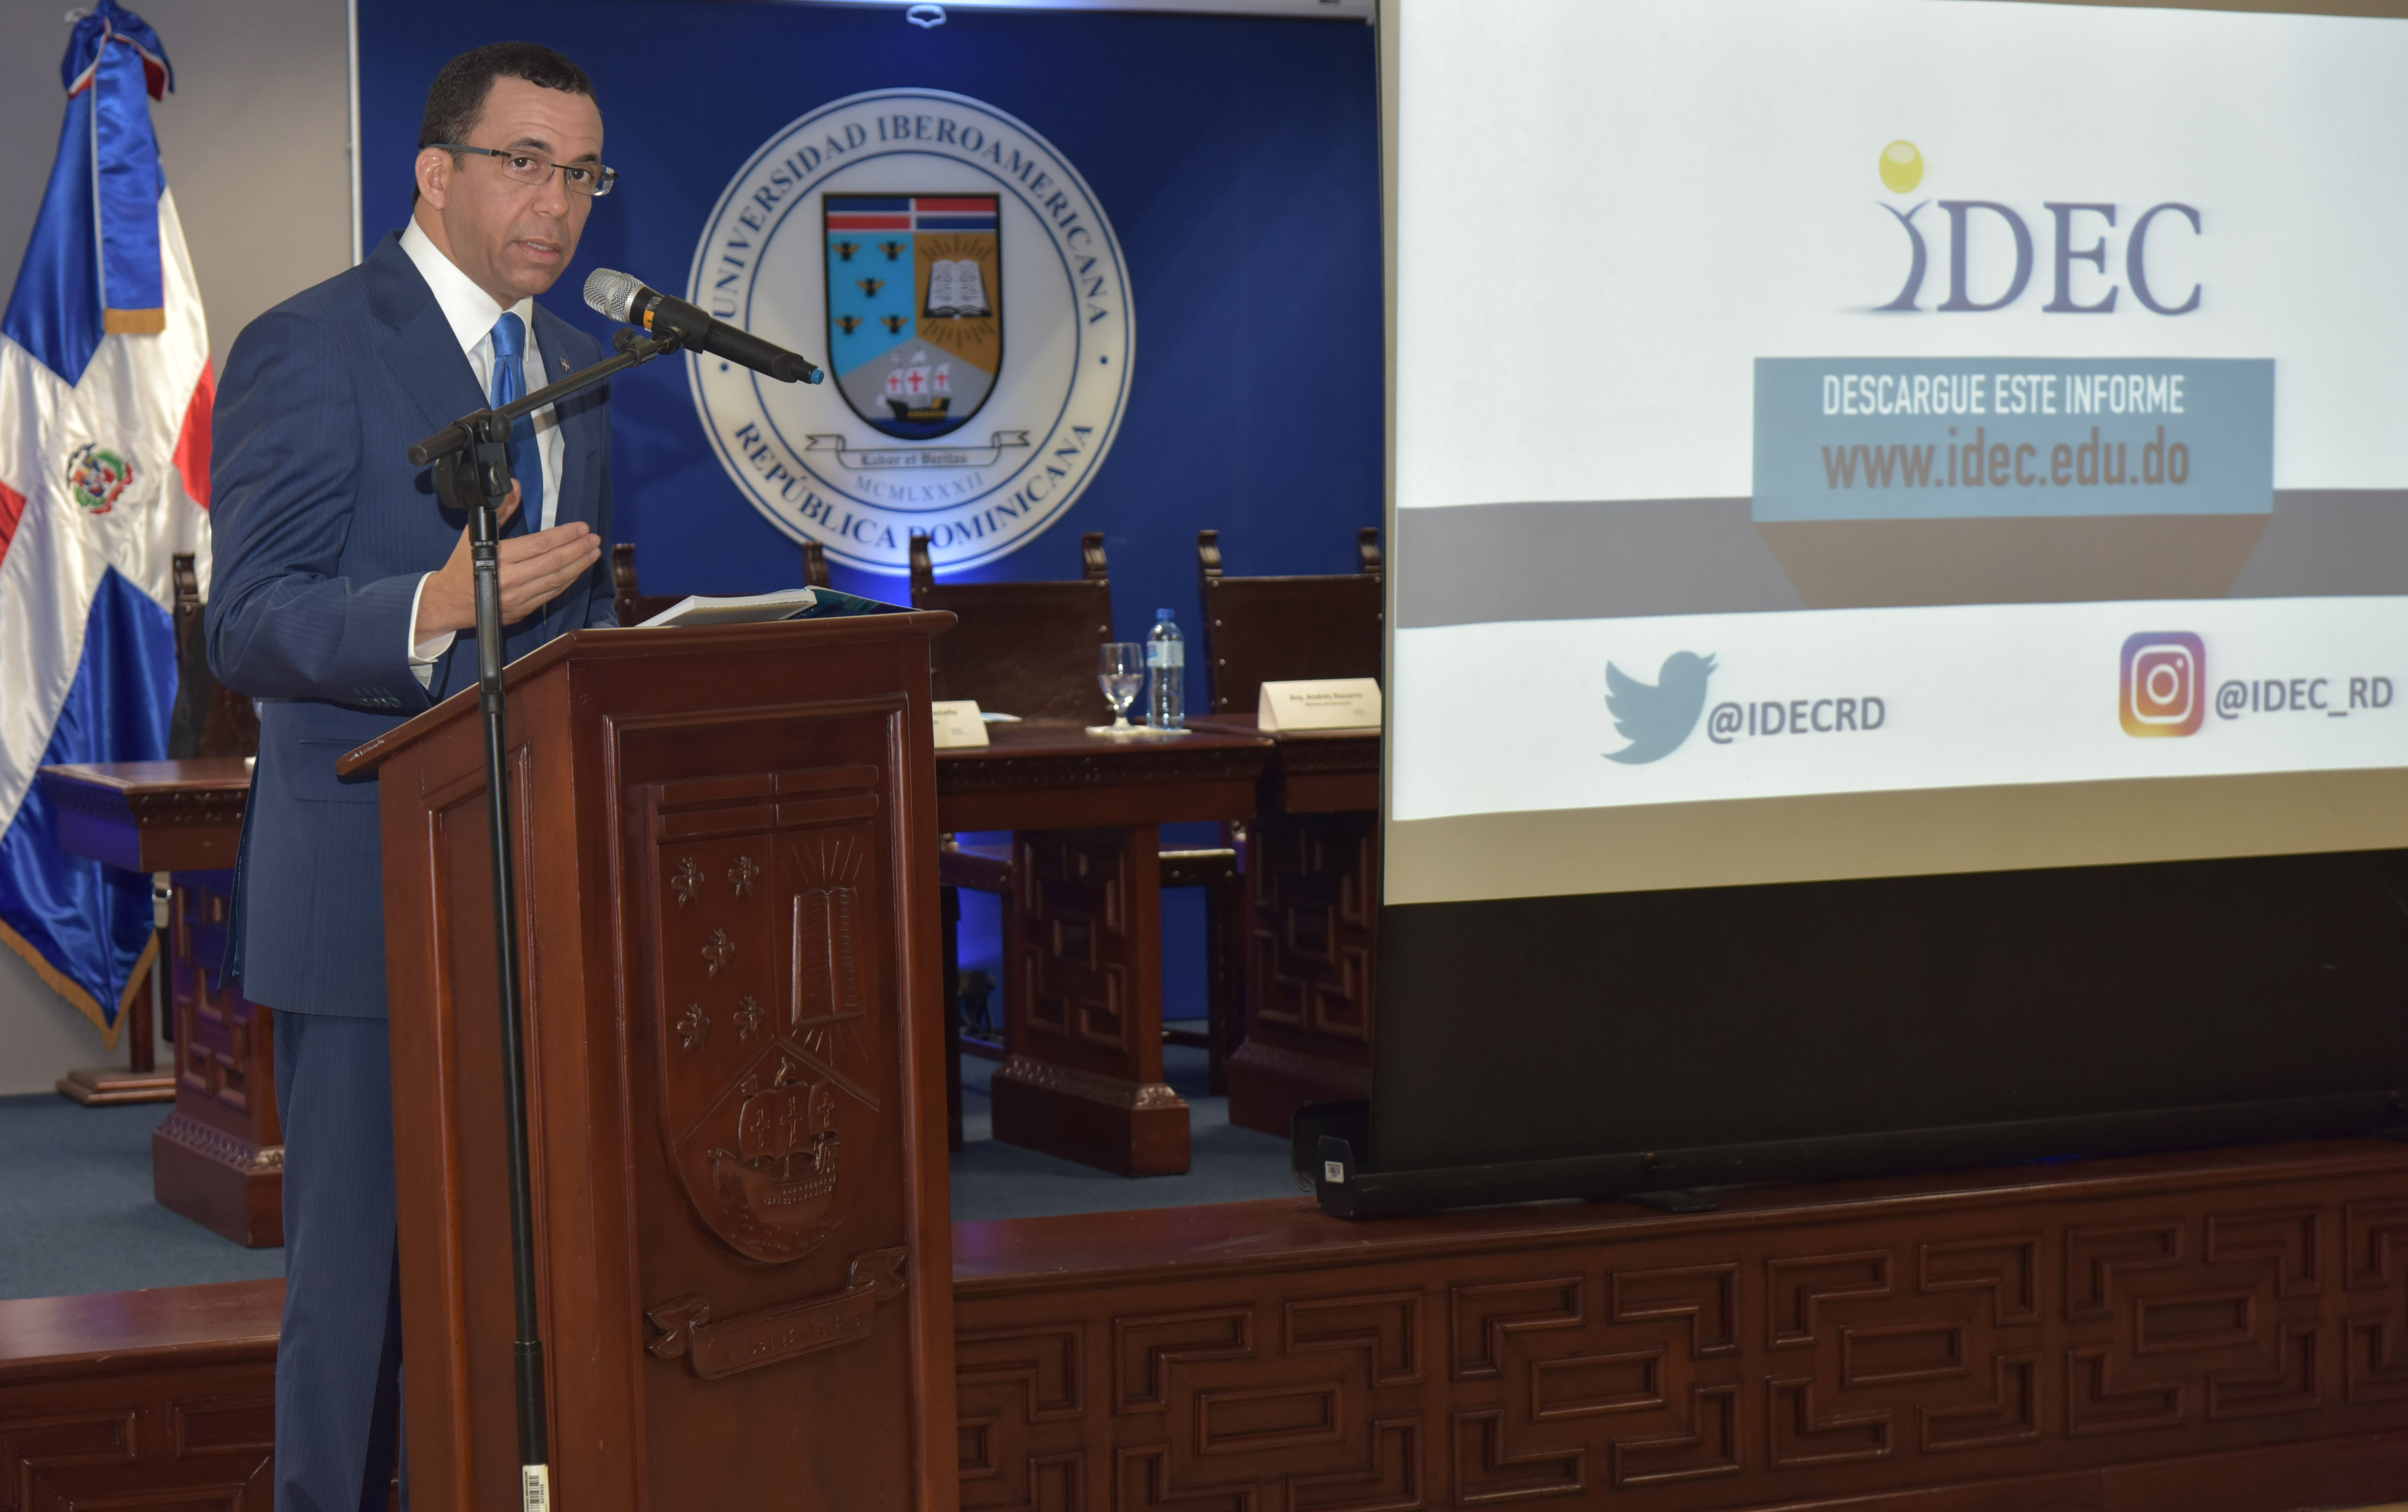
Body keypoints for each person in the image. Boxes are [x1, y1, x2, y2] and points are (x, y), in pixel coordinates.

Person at [207, 41, 616, 1512]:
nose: (557, 201)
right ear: (436, 173)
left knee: (527, 1265)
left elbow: (573, 627)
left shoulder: (576, 366)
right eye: (526, 163)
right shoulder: (313, 344)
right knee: (359, 1287)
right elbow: (246, 619)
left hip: (539, 883)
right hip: (366, 886)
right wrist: (428, 609)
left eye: (582, 174)